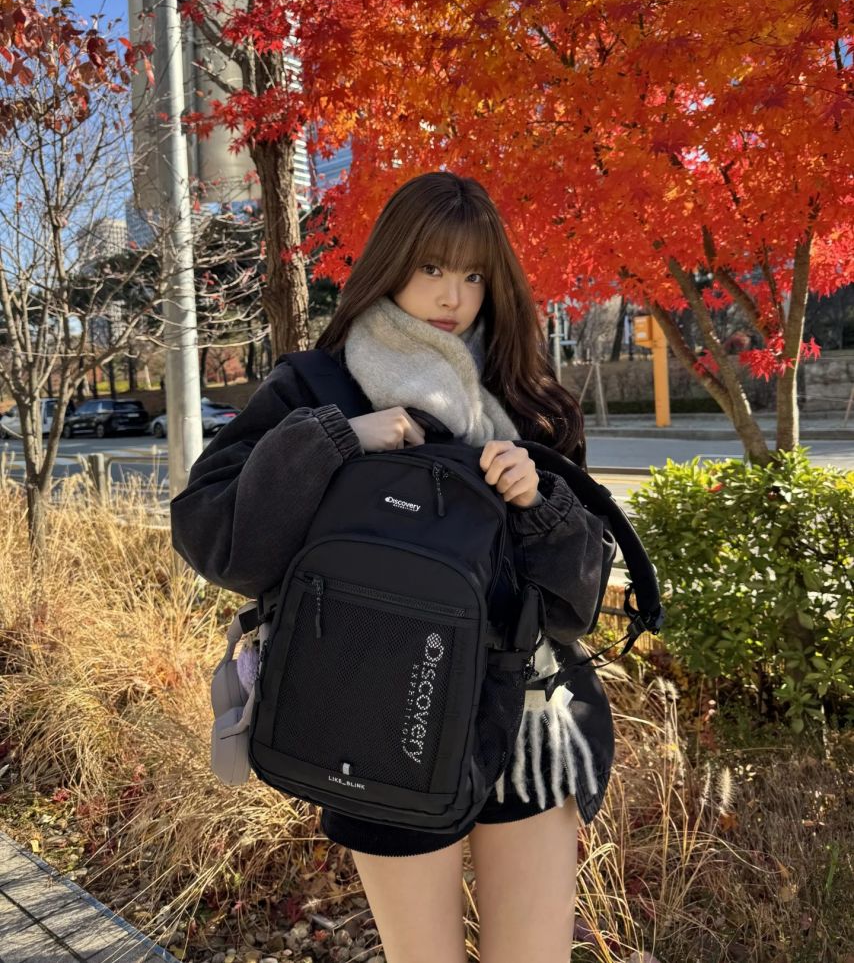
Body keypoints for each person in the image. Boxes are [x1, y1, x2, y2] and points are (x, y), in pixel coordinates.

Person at [171, 171, 615, 963]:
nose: (452, 295)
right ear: (391, 262)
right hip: (379, 718)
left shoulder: (528, 400)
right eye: (432, 267)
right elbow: (214, 536)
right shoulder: (320, 386)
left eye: (473, 274)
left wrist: (540, 502)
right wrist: (336, 440)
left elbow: (575, 606)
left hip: (528, 719)